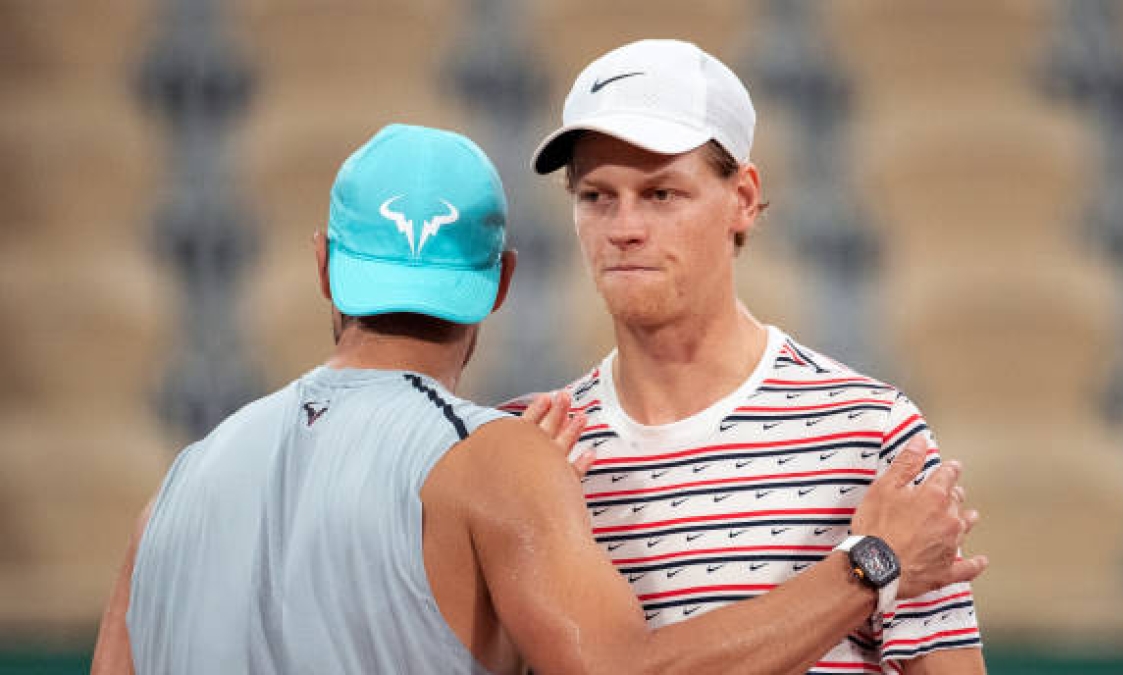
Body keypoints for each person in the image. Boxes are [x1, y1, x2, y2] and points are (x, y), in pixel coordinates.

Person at [91, 123, 985, 675]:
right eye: (599, 196)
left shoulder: (174, 488)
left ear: (324, 265)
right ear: (500, 283)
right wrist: (870, 563)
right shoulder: (495, 459)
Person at [507, 39, 988, 674]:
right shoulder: (530, 453)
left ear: (742, 198)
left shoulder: (873, 428)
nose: (623, 227)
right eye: (596, 196)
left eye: (660, 194)